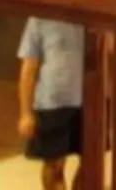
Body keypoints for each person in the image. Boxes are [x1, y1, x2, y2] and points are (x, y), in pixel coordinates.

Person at [16, 15, 85, 187]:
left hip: (89, 102)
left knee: (91, 163)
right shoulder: (38, 19)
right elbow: (28, 69)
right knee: (54, 165)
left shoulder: (93, 15)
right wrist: (26, 113)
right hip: (52, 104)